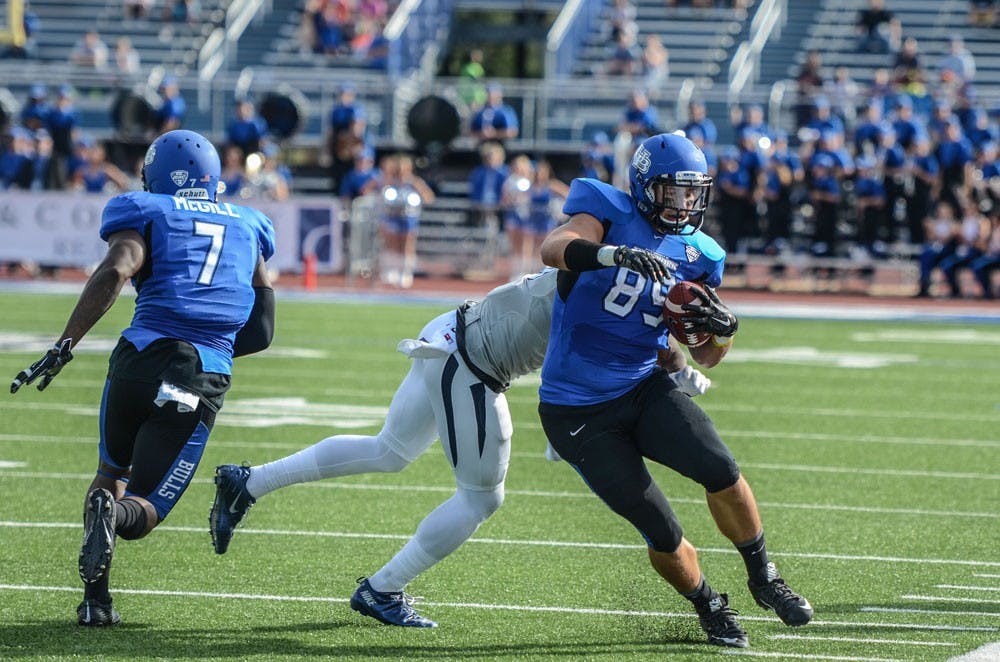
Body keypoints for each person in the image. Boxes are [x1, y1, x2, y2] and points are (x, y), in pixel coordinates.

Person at [208, 267, 713, 628]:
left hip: (449, 332)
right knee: (481, 497)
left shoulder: (594, 281)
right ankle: (382, 590)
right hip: (471, 364)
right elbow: (585, 373)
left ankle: (248, 482)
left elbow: (637, 341)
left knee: (389, 450)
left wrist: (679, 370)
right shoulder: (591, 302)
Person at [534, 132, 812, 649]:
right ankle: (709, 604)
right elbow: (553, 249)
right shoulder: (606, 210)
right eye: (674, 191)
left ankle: (764, 576)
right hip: (577, 410)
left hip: (643, 386)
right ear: (644, 186)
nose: (685, 203)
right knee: (661, 530)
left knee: (721, 469)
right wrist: (612, 254)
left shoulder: (701, 253)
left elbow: (704, 353)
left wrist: (722, 330)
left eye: (693, 193)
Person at [9, 129, 276, 627]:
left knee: (110, 474)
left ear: (153, 175)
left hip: (134, 361)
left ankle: (95, 600)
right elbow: (261, 331)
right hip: (197, 375)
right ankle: (116, 518)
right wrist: (206, 355)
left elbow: (116, 270)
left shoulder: (144, 210)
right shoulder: (251, 223)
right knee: (143, 509)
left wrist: (65, 343)